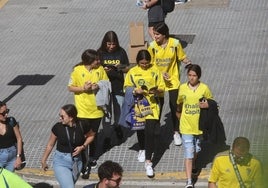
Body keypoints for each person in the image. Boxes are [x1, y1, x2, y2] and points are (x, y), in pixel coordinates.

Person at [148, 22, 192, 146]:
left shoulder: (175, 44)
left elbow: (182, 57)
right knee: (158, 105)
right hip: (158, 81)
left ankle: (176, 131)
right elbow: (150, 65)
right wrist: (160, 74)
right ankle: (156, 126)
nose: (155, 37)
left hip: (173, 80)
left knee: (174, 106)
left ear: (164, 34)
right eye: (154, 34)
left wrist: (187, 62)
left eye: (157, 35)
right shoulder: (152, 46)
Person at [123, 49, 165, 177]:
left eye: (147, 63)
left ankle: (148, 162)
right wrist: (136, 91)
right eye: (142, 63)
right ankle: (142, 148)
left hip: (152, 106)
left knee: (150, 132)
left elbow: (162, 88)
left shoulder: (155, 70)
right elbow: (126, 88)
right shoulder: (132, 72)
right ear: (137, 62)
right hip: (138, 106)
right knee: (140, 129)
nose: (145, 65)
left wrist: (156, 91)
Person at [68, 49, 109, 174]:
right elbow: (70, 87)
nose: (99, 61)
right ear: (89, 61)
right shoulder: (77, 71)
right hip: (82, 111)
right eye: (96, 59)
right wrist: (83, 88)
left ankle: (92, 157)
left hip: (97, 110)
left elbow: (107, 82)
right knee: (83, 136)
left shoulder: (100, 70)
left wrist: (98, 86)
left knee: (93, 135)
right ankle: (83, 161)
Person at [176, 64, 213, 188]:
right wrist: (179, 114)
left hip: (199, 127)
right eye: (189, 75)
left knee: (197, 149)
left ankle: (194, 163)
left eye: (194, 75)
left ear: (199, 76)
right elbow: (179, 103)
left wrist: (207, 105)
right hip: (186, 126)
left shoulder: (204, 88)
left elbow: (212, 104)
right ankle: (189, 182)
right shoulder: (182, 88)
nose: (191, 78)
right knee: (189, 152)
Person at [41, 104, 94, 188]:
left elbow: (91, 136)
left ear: (71, 118)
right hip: (61, 161)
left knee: (68, 185)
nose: (60, 118)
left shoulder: (82, 124)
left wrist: (83, 146)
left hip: (77, 162)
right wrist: (43, 160)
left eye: (62, 116)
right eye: (60, 116)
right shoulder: (57, 127)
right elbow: (50, 145)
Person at [97, 31, 129, 140]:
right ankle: (106, 135)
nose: (111, 47)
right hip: (104, 87)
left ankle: (117, 126)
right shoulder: (100, 53)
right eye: (109, 44)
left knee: (119, 109)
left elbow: (127, 68)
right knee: (106, 112)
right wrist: (103, 70)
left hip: (118, 85)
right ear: (105, 43)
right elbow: (94, 68)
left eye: (113, 44)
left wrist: (119, 67)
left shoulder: (121, 52)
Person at [0, 101, 23, 172]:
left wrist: (18, 157)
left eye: (7, 111)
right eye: (3, 113)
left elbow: (19, 138)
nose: (6, 115)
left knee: (8, 181)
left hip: (12, 156)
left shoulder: (11, 121)